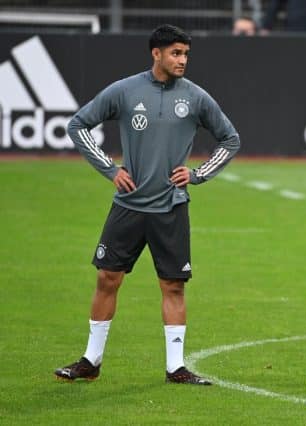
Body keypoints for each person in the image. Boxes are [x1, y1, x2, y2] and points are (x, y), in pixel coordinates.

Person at [54, 24, 241, 385]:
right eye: (176, 53)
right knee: (107, 278)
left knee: (173, 286)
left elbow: (230, 139)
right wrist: (110, 169)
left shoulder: (197, 97)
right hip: (128, 205)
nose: (182, 60)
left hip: (170, 207)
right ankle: (90, 361)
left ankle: (176, 368)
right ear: (156, 53)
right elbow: (79, 125)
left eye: (186, 53)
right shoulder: (125, 91)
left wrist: (198, 174)